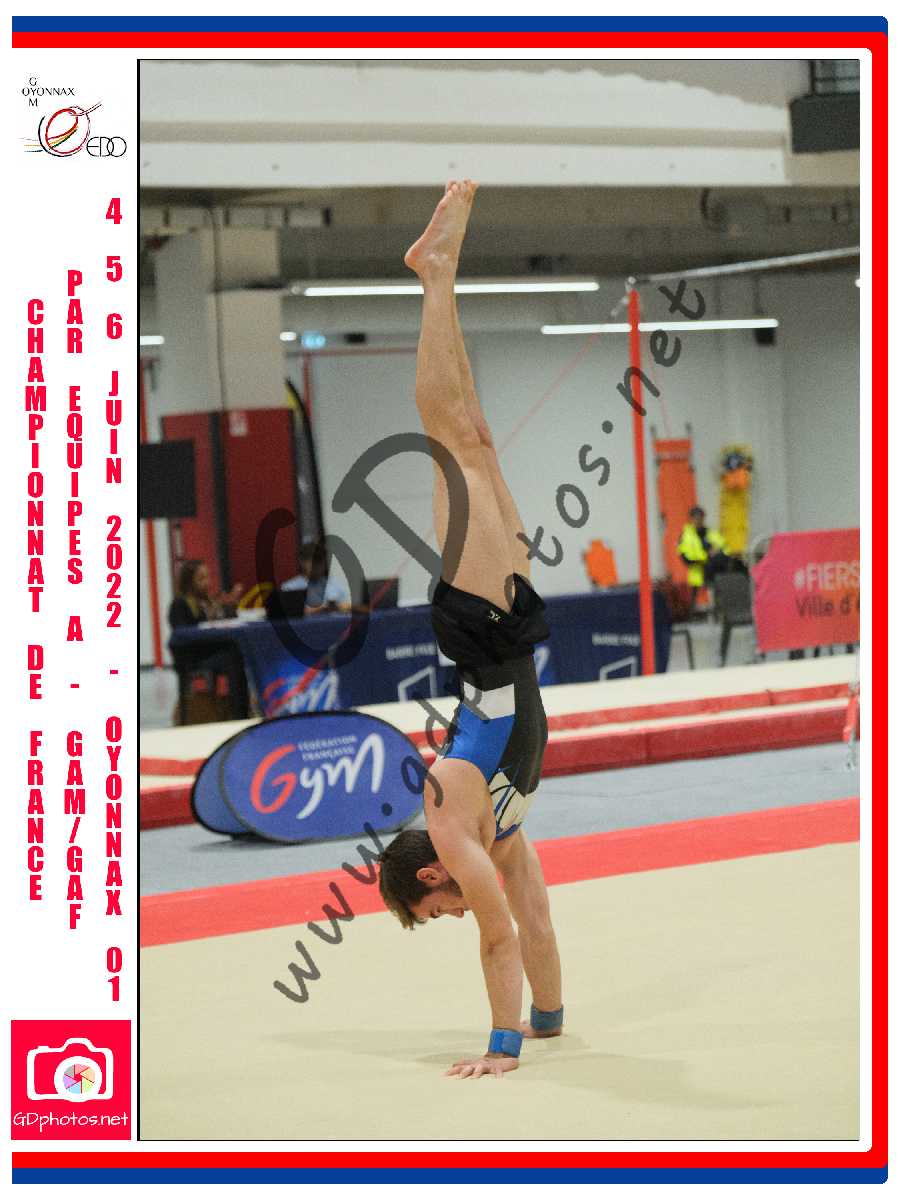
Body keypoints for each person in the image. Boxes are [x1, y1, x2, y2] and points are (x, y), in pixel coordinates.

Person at [376, 181, 563, 1080]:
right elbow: (536, 920)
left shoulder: (451, 813)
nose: (456, 910)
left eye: (437, 909)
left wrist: (501, 1047)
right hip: (507, 636)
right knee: (475, 437)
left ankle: (435, 274)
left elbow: (496, 933)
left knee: (450, 438)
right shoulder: (497, 832)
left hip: (483, 634)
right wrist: (549, 1019)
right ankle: (436, 274)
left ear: (428, 874)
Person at [167, 560, 249, 719]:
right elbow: (183, 633)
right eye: (201, 578)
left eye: (208, 577)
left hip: (211, 650)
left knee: (238, 651)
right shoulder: (180, 604)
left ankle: (243, 709)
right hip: (193, 656)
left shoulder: (207, 601)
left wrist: (230, 606)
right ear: (189, 582)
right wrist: (206, 622)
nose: (207, 582)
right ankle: (239, 715)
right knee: (233, 659)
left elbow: (224, 620)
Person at [677, 505, 731, 610]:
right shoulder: (686, 536)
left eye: (701, 518)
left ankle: (719, 609)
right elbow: (686, 557)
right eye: (696, 518)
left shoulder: (712, 533)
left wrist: (718, 551)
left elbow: (725, 547)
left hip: (715, 571)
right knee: (696, 605)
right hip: (697, 573)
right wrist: (706, 556)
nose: (699, 521)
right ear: (691, 519)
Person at [282, 539, 352, 614]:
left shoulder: (334, 584)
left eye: (320, 561)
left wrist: (341, 607)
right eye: (314, 561)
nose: (317, 566)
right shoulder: (289, 588)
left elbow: (348, 607)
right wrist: (322, 608)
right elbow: (290, 613)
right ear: (302, 562)